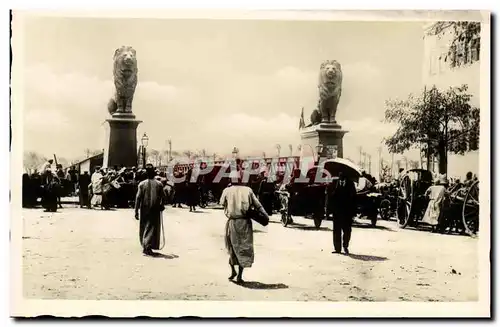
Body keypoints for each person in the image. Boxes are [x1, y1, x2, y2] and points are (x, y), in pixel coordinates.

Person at [219, 170, 269, 284]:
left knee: (231, 247)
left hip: (232, 222)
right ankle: (240, 276)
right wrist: (265, 216)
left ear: (231, 179)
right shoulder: (248, 190)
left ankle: (233, 271)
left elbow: (221, 203)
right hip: (245, 222)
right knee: (243, 248)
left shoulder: (227, 190)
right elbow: (258, 205)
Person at [135, 164, 167, 256]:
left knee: (145, 227)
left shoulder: (141, 184)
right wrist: (162, 205)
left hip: (144, 208)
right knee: (152, 227)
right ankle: (147, 246)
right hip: (155, 208)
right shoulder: (159, 184)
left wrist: (136, 211)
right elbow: (163, 197)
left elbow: (138, 198)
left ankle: (146, 245)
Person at [330, 172, 357, 255]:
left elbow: (354, 199)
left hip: (347, 212)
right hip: (337, 211)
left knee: (347, 230)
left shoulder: (351, 184)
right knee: (336, 230)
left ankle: (345, 245)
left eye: (343, 177)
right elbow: (329, 196)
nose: (341, 178)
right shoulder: (334, 183)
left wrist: (354, 213)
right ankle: (337, 248)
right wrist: (329, 211)